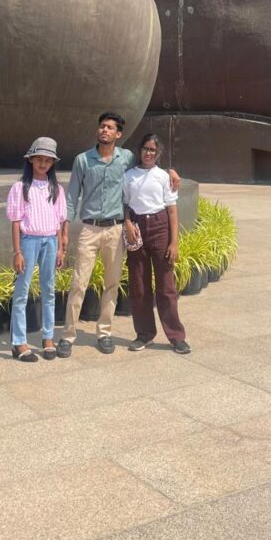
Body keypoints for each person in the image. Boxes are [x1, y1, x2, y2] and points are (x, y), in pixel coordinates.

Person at [56, 112, 179, 358]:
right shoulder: (83, 160)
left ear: (118, 134)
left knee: (111, 284)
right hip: (89, 229)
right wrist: (64, 232)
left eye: (110, 127)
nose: (104, 130)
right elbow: (71, 198)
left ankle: (104, 332)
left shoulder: (126, 158)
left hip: (114, 229)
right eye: (102, 126)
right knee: (79, 283)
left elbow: (149, 164)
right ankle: (68, 335)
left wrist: (171, 172)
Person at [123, 134, 190, 354]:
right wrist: (128, 224)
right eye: (145, 149)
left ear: (158, 153)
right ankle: (144, 334)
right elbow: (124, 203)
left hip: (160, 227)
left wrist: (174, 242)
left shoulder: (163, 177)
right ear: (139, 150)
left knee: (166, 286)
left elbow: (172, 210)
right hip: (137, 228)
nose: (148, 153)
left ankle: (176, 336)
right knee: (139, 285)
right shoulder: (129, 176)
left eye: (153, 150)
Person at [6, 137, 68, 362]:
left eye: (48, 160)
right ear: (30, 160)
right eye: (39, 159)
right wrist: (17, 251)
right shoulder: (20, 187)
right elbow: (15, 220)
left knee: (49, 289)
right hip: (29, 240)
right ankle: (19, 342)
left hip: (50, 241)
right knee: (22, 290)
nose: (43, 164)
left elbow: (60, 220)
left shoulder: (56, 189)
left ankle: (48, 337)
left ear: (52, 163)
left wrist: (61, 248)